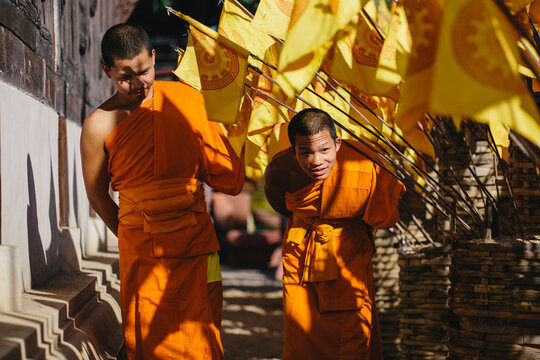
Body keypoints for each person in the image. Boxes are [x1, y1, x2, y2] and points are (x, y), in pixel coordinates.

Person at [80, 23, 244, 359]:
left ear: (154, 58)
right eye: (124, 77)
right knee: (152, 335)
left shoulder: (188, 101)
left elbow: (228, 177)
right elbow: (97, 195)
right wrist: (132, 229)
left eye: (144, 71)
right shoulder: (98, 124)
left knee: (201, 334)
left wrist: (233, 125)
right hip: (142, 250)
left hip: (196, 242)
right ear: (106, 71)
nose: (137, 83)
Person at [264, 108, 405, 359]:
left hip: (348, 259)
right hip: (301, 259)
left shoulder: (364, 161)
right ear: (292, 150)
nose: (317, 161)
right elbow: (279, 203)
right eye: (305, 152)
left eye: (324, 150)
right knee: (301, 335)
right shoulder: (280, 168)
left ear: (337, 144)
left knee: (351, 336)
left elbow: (384, 214)